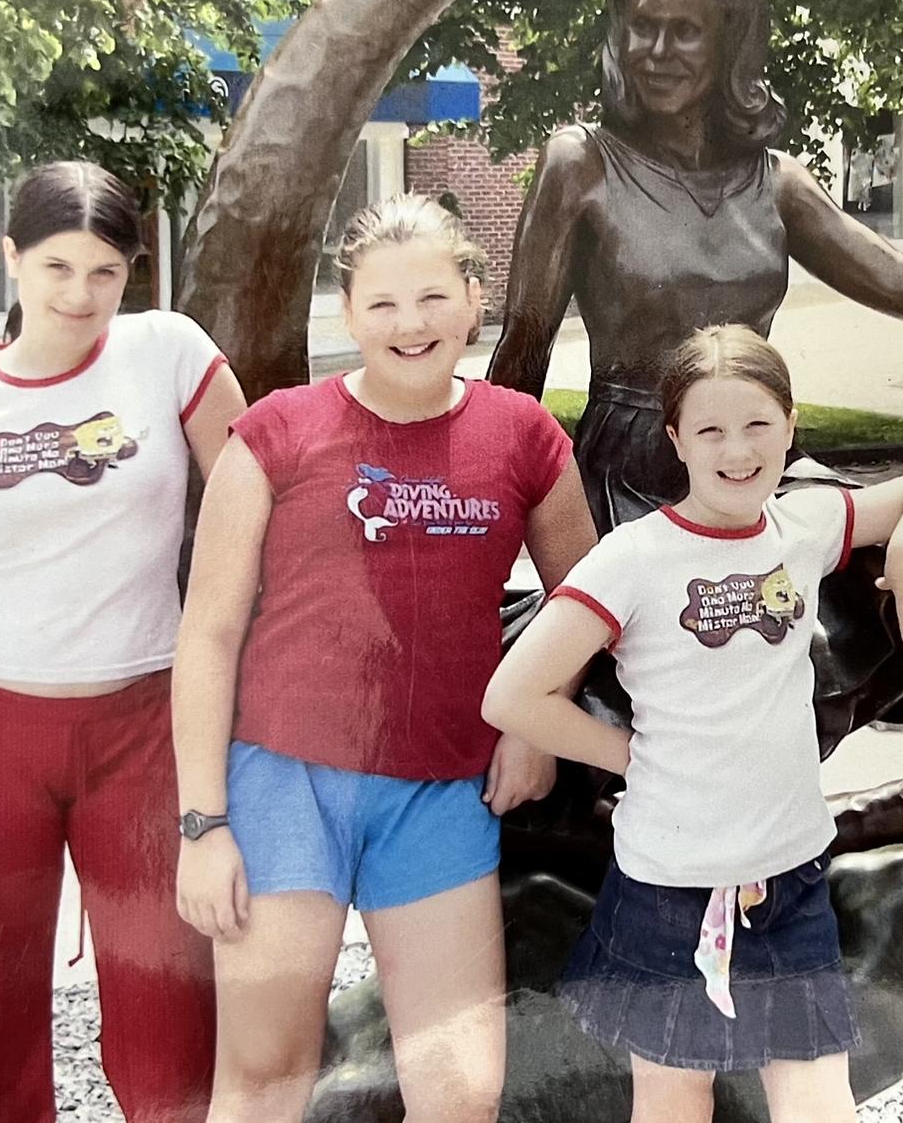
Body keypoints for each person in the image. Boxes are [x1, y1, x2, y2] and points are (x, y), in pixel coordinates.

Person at [171, 194, 599, 1122]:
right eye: (384, 304)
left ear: (475, 301)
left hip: (437, 794)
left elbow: (590, 602)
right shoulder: (277, 433)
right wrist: (202, 826)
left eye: (435, 297)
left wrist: (540, 718)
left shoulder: (526, 435)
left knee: (463, 1090)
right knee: (266, 1069)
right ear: (348, 312)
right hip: (286, 783)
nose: (412, 325)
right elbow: (206, 634)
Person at [483, 325, 903, 1123]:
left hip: (788, 879)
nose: (736, 450)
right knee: (676, 1101)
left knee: (819, 1099)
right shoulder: (634, 558)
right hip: (668, 888)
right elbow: (514, 695)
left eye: (757, 426)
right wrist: (632, 756)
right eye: (710, 429)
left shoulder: (801, 528)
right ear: (675, 438)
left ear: (791, 426)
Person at [0, 161, 247, 1122]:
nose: (80, 296)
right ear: (10, 259)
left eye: (104, 273)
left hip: (145, 726)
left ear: (133, 274)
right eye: (55, 269)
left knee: (172, 1003)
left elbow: (259, 509)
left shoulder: (169, 352)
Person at [487, 0, 903, 533]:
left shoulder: (777, 182)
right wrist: (488, 510)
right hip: (634, 474)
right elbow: (523, 353)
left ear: (729, 42)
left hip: (759, 460)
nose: (658, 54)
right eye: (643, 27)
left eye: (685, 32)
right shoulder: (582, 164)